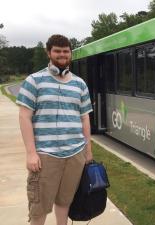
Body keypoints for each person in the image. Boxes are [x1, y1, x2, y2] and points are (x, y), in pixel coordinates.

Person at [17, 34, 93, 225]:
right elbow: (24, 117)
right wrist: (31, 153)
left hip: (75, 154)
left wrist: (87, 151)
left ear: (71, 54)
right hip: (45, 155)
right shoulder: (34, 81)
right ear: (49, 52)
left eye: (65, 51)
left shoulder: (80, 84)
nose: (62, 54)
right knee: (39, 207)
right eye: (57, 51)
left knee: (65, 202)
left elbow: (84, 118)